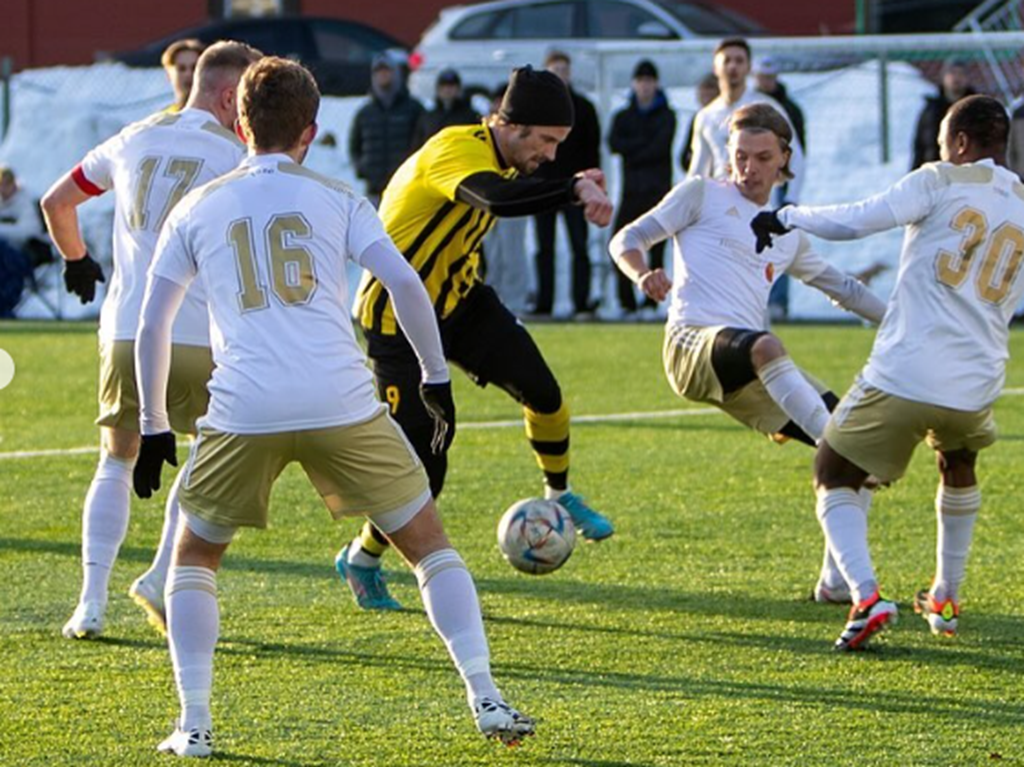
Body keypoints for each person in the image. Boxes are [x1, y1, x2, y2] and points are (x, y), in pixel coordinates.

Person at [134, 56, 534, 756]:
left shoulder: (197, 207)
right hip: (339, 399)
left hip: (245, 406)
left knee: (194, 557)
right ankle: (485, 694)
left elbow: (153, 323)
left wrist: (152, 425)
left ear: (238, 123)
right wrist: (434, 375)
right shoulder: (336, 196)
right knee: (429, 545)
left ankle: (193, 725)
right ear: (311, 132)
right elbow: (405, 284)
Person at [340, 65, 615, 611]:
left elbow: (513, 192)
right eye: (547, 141)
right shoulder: (456, 148)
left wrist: (568, 184)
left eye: (560, 146)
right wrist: (573, 189)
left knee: (546, 394)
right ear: (511, 126)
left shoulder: (505, 153)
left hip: (461, 302)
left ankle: (559, 496)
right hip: (396, 319)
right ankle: (362, 556)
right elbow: (496, 200)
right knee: (425, 460)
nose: (552, 155)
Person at [752, 96, 1022, 651]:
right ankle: (945, 594)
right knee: (958, 461)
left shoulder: (940, 179)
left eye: (945, 140)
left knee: (832, 469)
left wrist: (788, 214)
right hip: (978, 381)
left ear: (963, 143)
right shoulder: (1021, 201)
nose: (939, 149)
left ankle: (866, 595)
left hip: (908, 369)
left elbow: (858, 221)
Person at [610, 103, 886, 603]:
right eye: (740, 156)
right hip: (691, 345)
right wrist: (641, 272)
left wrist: (901, 322)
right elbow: (627, 239)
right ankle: (837, 446)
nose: (748, 169)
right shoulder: (700, 194)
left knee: (858, 442)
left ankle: (836, 582)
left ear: (784, 158)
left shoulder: (789, 233)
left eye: (762, 157)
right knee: (769, 349)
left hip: (750, 372)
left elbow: (843, 287)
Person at [40, 41, 261, 640]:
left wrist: (77, 261)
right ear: (227, 98)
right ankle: (161, 575)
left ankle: (89, 602)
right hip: (198, 334)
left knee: (116, 459)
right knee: (205, 455)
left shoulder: (133, 136)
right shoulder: (239, 158)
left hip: (127, 326)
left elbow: (56, 201)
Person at [688, 38, 805, 204]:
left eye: (739, 60)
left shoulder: (767, 108)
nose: (732, 66)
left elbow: (795, 156)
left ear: (749, 67)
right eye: (727, 60)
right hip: (719, 208)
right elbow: (698, 170)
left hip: (758, 207)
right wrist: (688, 205)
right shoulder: (706, 115)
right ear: (715, 67)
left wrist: (790, 200)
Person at [531, 50, 602, 317]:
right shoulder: (537, 110)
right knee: (544, 248)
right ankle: (544, 303)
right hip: (544, 186)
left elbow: (592, 148)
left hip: (575, 187)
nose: (561, 74)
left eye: (564, 69)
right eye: (555, 70)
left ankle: (581, 302)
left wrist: (591, 184)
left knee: (579, 247)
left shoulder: (583, 107)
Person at [609, 60, 676, 319]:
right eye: (640, 81)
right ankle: (626, 302)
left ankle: (651, 302)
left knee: (657, 247)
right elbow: (614, 142)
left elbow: (659, 147)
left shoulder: (666, 115)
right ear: (634, 84)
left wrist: (633, 148)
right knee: (619, 242)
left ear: (656, 84)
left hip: (657, 192)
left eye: (649, 81)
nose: (645, 86)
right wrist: (641, 145)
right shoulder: (623, 116)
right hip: (631, 191)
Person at [349, 52, 425, 206]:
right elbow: (354, 146)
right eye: (378, 72)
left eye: (386, 71)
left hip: (405, 187)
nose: (383, 75)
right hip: (374, 189)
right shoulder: (365, 113)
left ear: (395, 74)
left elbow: (424, 141)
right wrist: (362, 167)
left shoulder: (413, 108)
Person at [911, 59, 974, 171]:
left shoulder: (977, 109)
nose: (956, 78)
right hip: (935, 174)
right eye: (952, 73)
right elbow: (920, 146)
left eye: (961, 73)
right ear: (944, 77)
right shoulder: (932, 110)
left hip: (968, 175)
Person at [0, 165, 42, 316]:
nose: (3, 190)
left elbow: (29, 231)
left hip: (26, 254)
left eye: (5, 185)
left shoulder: (25, 202)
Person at [413, 67, 480, 148]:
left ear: (458, 89)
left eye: (451, 86)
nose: (447, 90)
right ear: (437, 89)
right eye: (443, 86)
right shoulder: (427, 117)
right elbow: (417, 146)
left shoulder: (471, 117)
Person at [680, 73, 719, 174]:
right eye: (703, 91)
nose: (705, 95)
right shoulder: (698, 118)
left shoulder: (723, 119)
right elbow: (684, 158)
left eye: (709, 91)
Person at [161, 39, 205, 113]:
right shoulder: (164, 119)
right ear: (168, 75)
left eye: (194, 68)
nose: (188, 74)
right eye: (181, 69)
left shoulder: (220, 115)